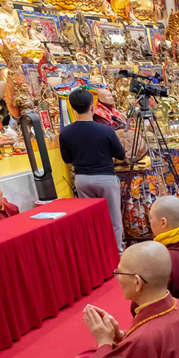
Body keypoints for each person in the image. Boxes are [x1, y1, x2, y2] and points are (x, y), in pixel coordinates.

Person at [61, 87, 126, 252]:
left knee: (91, 218)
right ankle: (116, 252)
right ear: (92, 107)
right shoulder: (105, 130)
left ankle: (97, 251)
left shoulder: (66, 133)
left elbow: (67, 159)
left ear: (73, 108)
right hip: (105, 177)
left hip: (82, 179)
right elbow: (120, 154)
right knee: (114, 219)